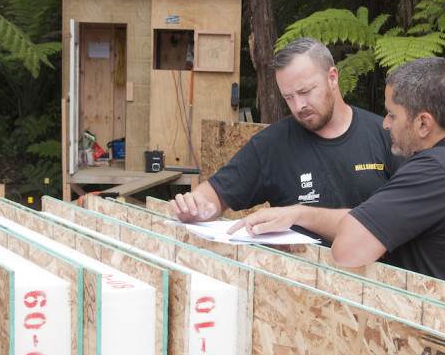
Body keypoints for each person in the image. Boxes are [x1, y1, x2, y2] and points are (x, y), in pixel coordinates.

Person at [230, 57, 445, 297]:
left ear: (423, 123)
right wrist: (299, 213)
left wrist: (303, 215)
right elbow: (373, 224)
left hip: (441, 341)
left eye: (392, 115)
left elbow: (348, 249)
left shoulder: (432, 171)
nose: (385, 124)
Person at [170, 37, 402, 242]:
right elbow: (215, 194)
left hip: (375, 283)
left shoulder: (386, 135)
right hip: (294, 282)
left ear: (332, 78)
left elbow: (396, 219)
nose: (299, 106)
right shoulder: (272, 145)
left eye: (305, 91)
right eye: (288, 97)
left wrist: (299, 214)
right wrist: (196, 206)